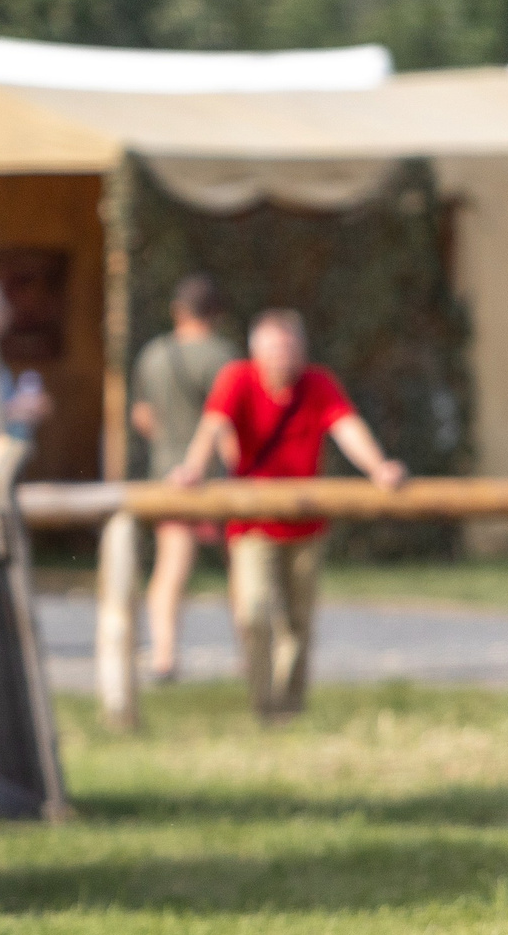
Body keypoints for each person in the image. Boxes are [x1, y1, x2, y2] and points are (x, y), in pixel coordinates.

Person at [168, 308, 405, 720]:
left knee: (298, 624)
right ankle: (263, 704)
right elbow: (212, 427)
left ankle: (289, 709)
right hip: (252, 524)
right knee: (254, 612)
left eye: (291, 347)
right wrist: (192, 470)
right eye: (275, 347)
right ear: (255, 351)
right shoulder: (237, 379)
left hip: (306, 524)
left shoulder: (318, 384)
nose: (283, 356)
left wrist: (377, 466)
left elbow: (347, 427)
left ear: (303, 351)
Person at [127, 275, 240, 682]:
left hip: (166, 473)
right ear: (217, 313)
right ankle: (250, 652)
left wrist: (170, 446)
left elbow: (142, 417)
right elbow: (226, 420)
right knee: (240, 566)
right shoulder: (223, 356)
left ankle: (163, 655)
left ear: (178, 311)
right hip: (216, 477)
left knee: (171, 566)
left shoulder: (152, 354)